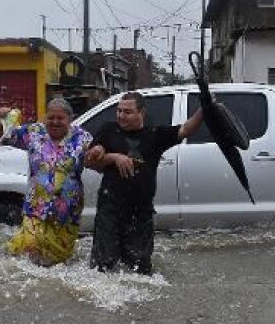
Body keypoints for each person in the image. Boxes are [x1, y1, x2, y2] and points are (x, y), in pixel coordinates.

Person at [85, 91, 205, 275]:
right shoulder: (108, 130)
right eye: (119, 111)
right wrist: (114, 157)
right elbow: (90, 161)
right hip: (109, 209)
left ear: (142, 112)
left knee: (140, 270)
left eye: (127, 112)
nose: (121, 116)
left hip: (141, 212)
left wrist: (205, 109)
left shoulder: (155, 135)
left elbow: (185, 130)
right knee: (103, 267)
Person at [0, 98, 93, 267]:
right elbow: (7, 136)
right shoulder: (33, 132)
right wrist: (4, 117)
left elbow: (98, 157)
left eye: (60, 118)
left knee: (59, 259)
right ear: (45, 117)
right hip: (36, 207)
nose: (55, 122)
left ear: (70, 119)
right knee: (28, 246)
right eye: (51, 117)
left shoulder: (83, 138)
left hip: (66, 211)